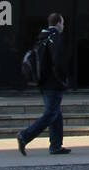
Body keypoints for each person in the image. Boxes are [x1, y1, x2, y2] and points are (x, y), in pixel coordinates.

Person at [17, 12, 71, 155]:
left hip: (43, 81)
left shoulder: (42, 37)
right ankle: (25, 136)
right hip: (53, 82)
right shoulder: (55, 37)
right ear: (58, 23)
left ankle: (56, 145)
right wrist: (63, 78)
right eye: (63, 23)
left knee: (56, 113)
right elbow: (58, 61)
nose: (63, 26)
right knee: (51, 114)